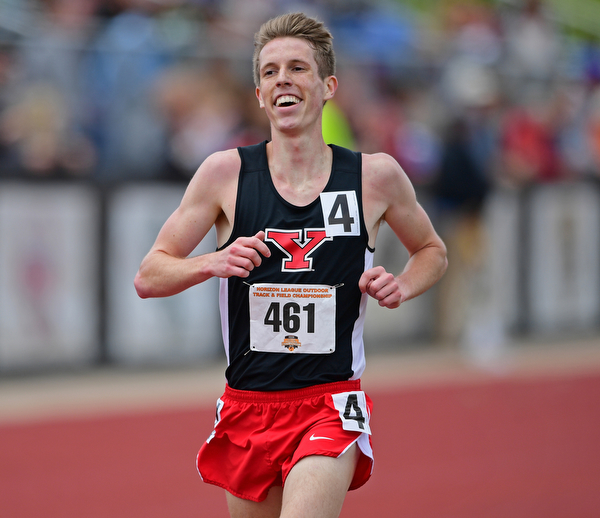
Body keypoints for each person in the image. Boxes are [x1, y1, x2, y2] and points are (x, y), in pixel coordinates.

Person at [134, 12, 447, 518]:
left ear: (328, 86)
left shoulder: (375, 177)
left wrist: (402, 285)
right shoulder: (224, 174)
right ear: (259, 94)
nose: (283, 79)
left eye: (298, 68)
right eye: (270, 71)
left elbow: (433, 251)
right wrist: (212, 261)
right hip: (248, 405)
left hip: (330, 401)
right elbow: (149, 276)